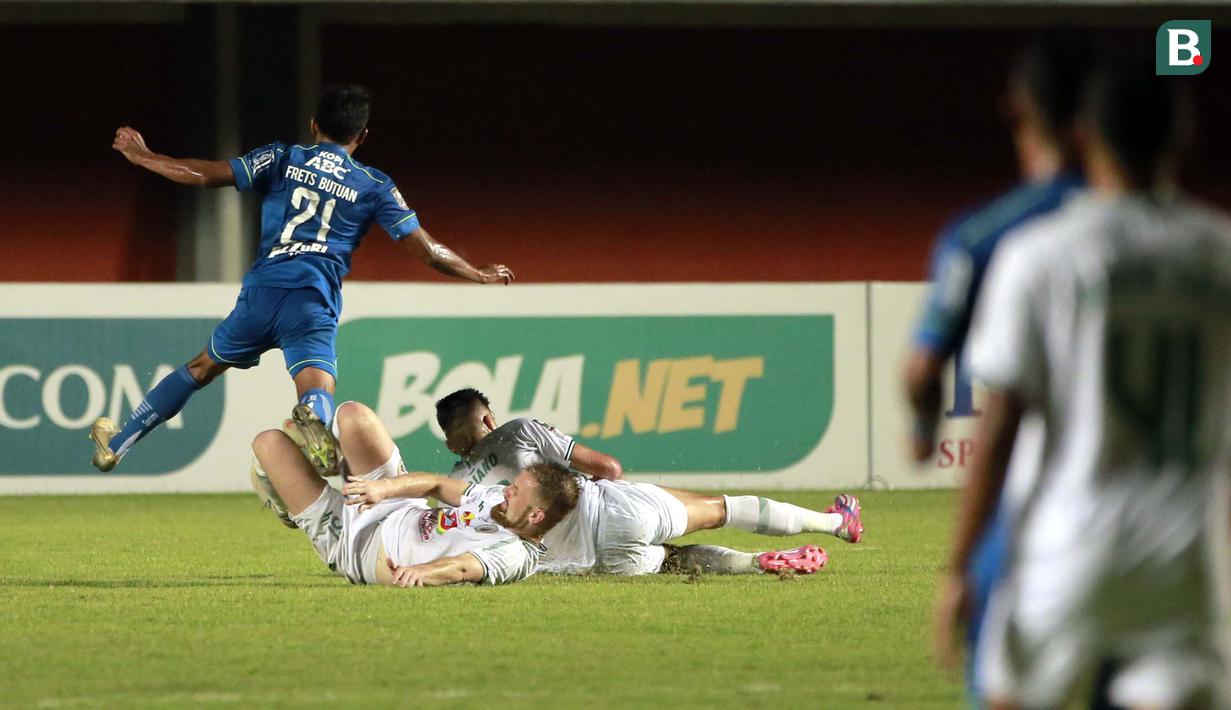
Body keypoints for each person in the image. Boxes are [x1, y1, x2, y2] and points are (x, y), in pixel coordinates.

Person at [936, 54, 1231, 709]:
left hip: (1065, 552)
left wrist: (958, 567)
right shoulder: (1219, 253)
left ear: (1083, 139)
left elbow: (1000, 424)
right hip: (1187, 563)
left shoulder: (1042, 254)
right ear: (1182, 139)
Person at [91, 85, 513, 476]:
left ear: (314, 125)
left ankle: (120, 441)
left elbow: (205, 174)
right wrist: (478, 273)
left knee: (201, 367)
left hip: (263, 290)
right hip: (311, 299)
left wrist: (143, 156)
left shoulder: (282, 157)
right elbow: (426, 249)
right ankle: (312, 419)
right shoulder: (374, 185)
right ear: (363, 136)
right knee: (317, 385)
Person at [901, 34, 1087, 703]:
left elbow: (929, 375)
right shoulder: (1197, 245)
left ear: (1017, 111)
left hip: (1037, 527)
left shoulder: (989, 236)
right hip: (1177, 533)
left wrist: (923, 426)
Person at [406, 388, 863, 577]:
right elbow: (608, 468)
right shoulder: (519, 430)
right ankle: (834, 524)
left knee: (674, 562)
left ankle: (758, 563)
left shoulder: (452, 485)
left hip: (584, 562)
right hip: (611, 508)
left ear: (450, 443)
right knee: (716, 509)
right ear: (488, 417)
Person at [251, 400, 578, 587]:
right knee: (352, 415)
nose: (507, 490)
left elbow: (463, 567)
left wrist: (420, 572)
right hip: (395, 505)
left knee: (268, 443)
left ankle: (284, 502)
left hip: (356, 547)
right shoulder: (495, 498)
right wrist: (383, 488)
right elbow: (436, 484)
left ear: (536, 516)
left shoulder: (513, 553)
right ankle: (332, 459)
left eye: (516, 491)